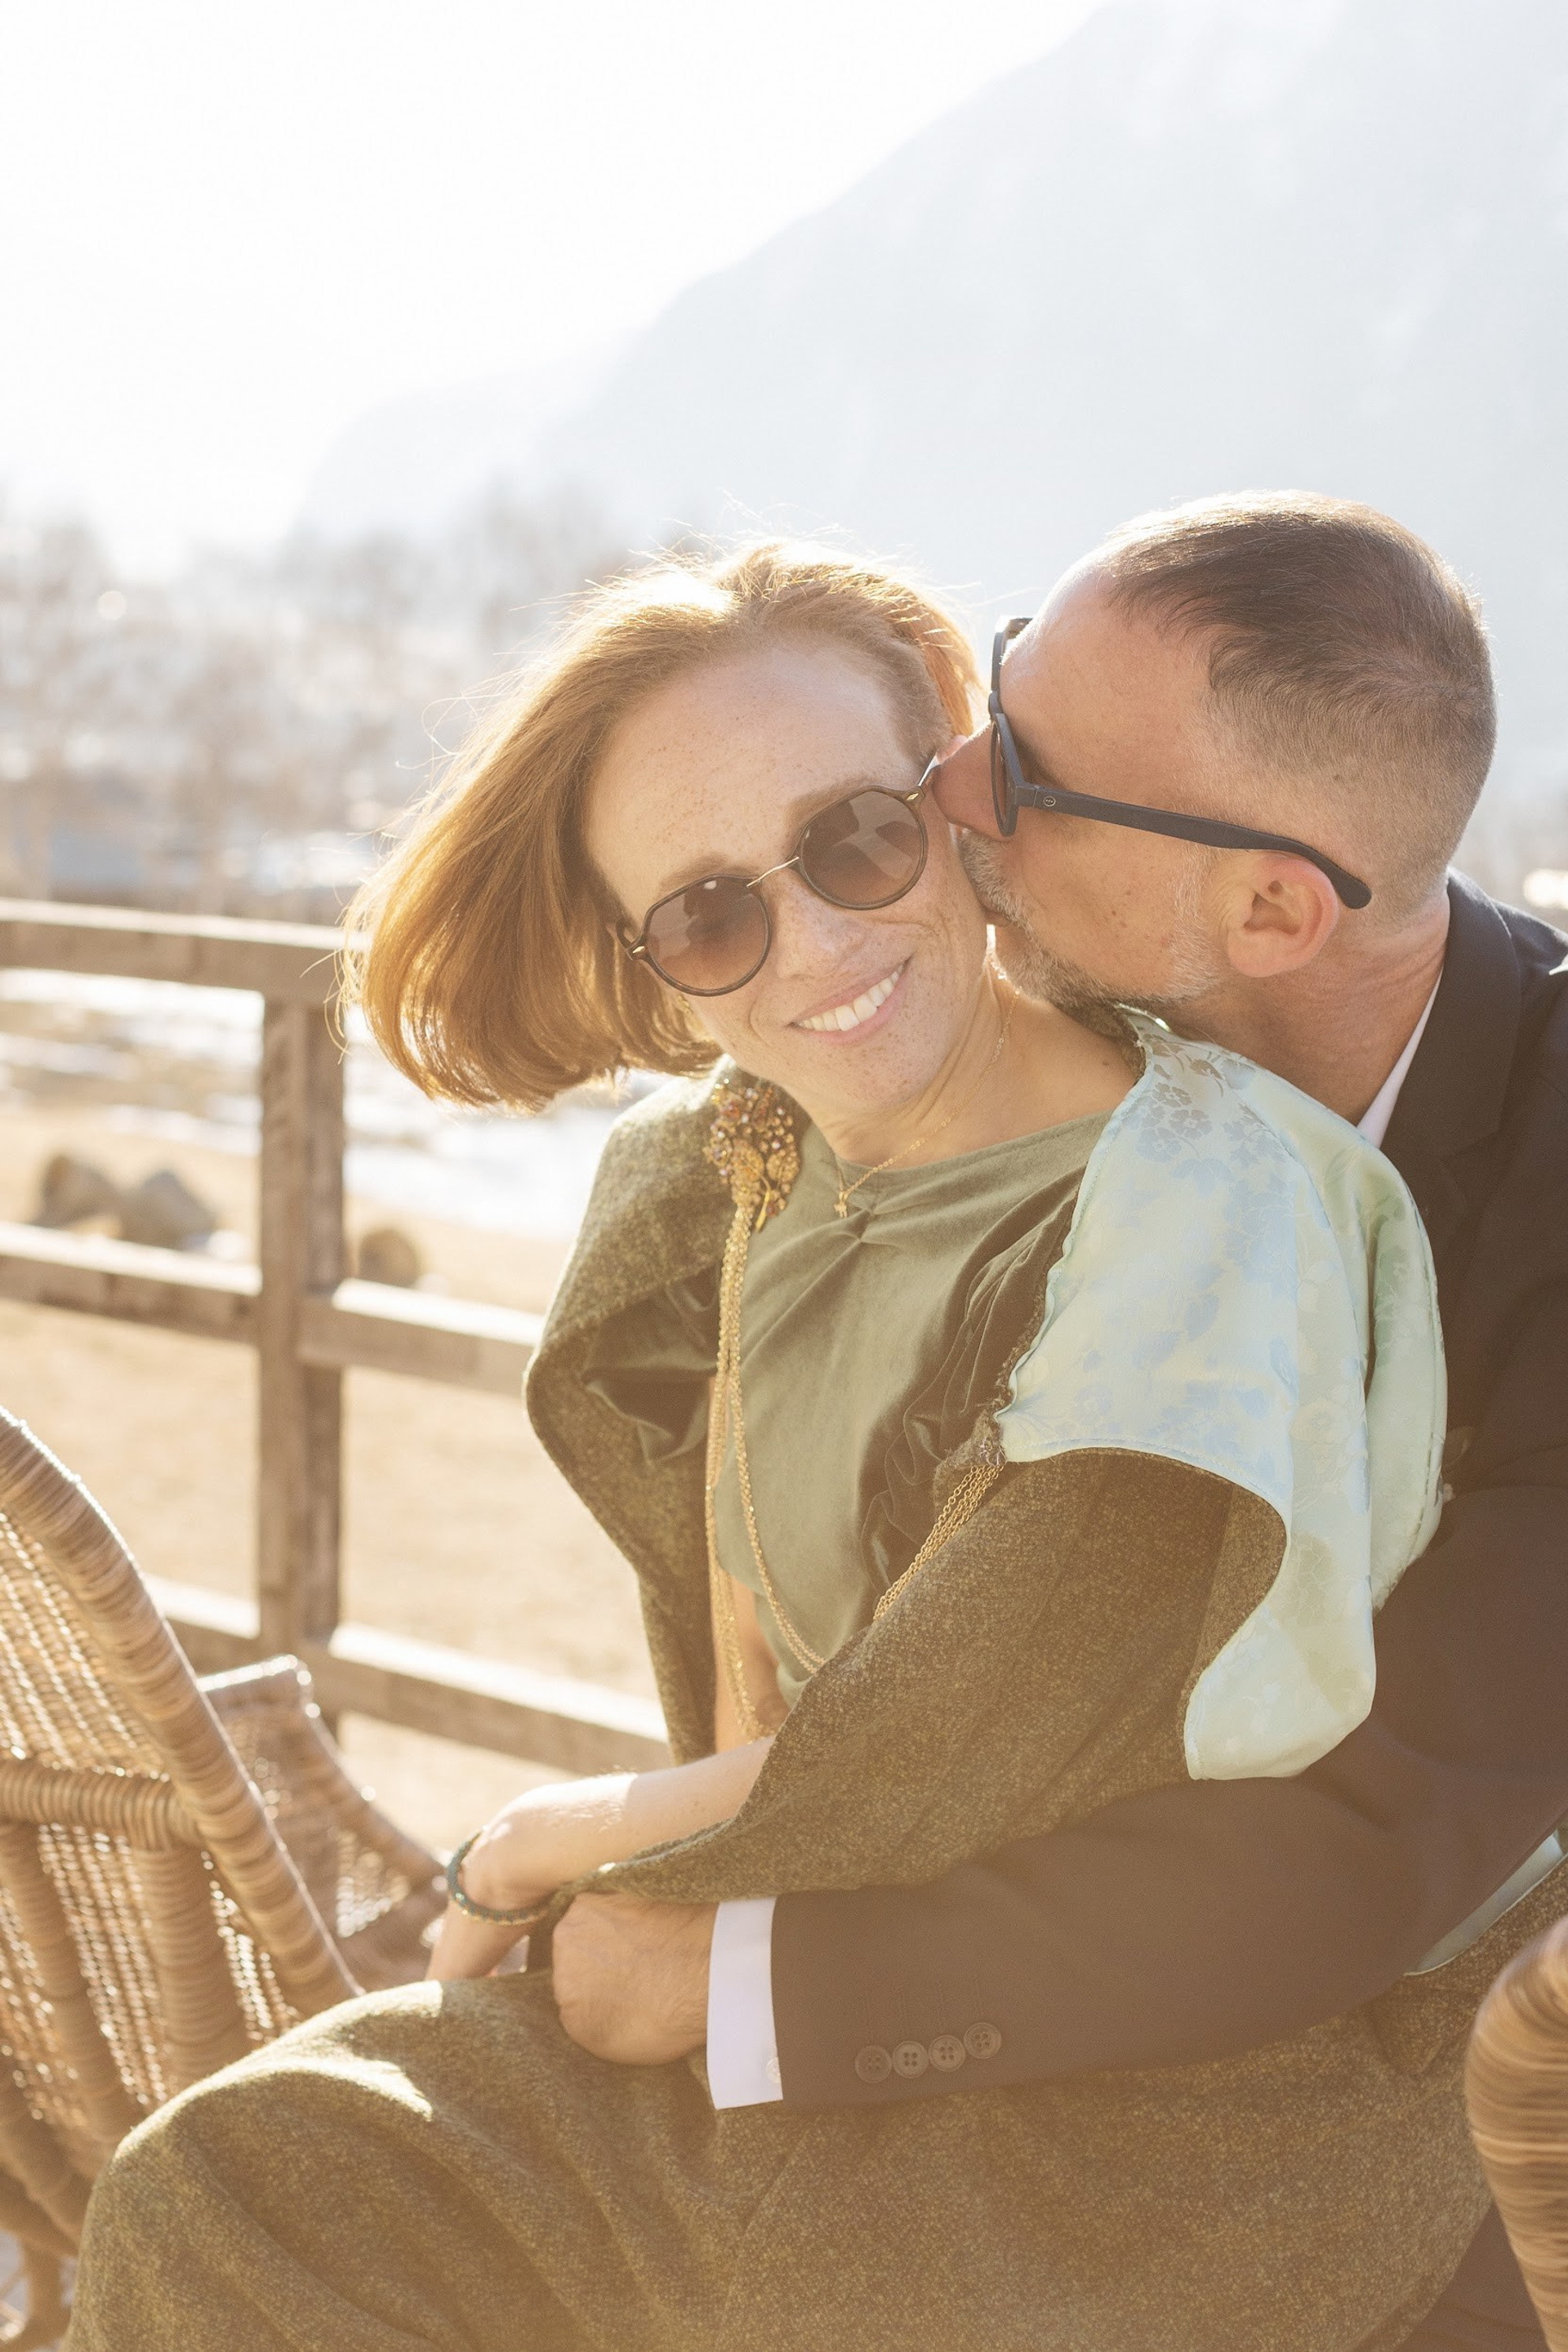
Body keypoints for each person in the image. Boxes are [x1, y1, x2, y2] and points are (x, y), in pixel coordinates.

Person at [63, 531, 1553, 2352]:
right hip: (888, 1934)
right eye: (703, 917)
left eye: (887, 824)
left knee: (262, 2200)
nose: (966, 793)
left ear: (1268, 917)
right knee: (234, 2191)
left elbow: (1365, 1839)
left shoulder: (1229, 1206)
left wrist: (665, 1919)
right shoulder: (741, 1164)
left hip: (1292, 2076)